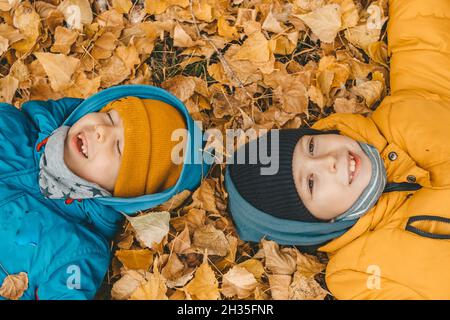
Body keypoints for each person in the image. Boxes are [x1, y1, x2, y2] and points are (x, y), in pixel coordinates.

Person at [225, 0, 450, 299]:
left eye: (312, 146)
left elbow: (423, 39)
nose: (329, 161)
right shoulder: (359, 271)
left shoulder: (398, 115)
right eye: (311, 182)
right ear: (315, 225)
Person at [0, 84, 209, 299]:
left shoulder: (78, 250)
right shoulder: (12, 127)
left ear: (122, 193)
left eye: (118, 148)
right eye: (110, 117)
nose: (102, 131)